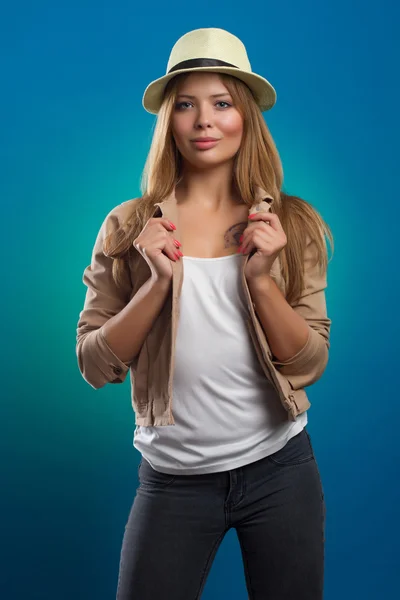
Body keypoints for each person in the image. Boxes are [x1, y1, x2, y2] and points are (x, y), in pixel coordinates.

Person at [76, 27, 333, 600]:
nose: (204, 121)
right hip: (172, 482)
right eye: (186, 105)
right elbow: (94, 365)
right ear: (169, 119)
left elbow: (310, 361)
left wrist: (261, 281)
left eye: (222, 103)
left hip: (280, 470)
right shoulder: (128, 229)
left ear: (246, 117)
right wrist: (155, 284)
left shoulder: (290, 227)